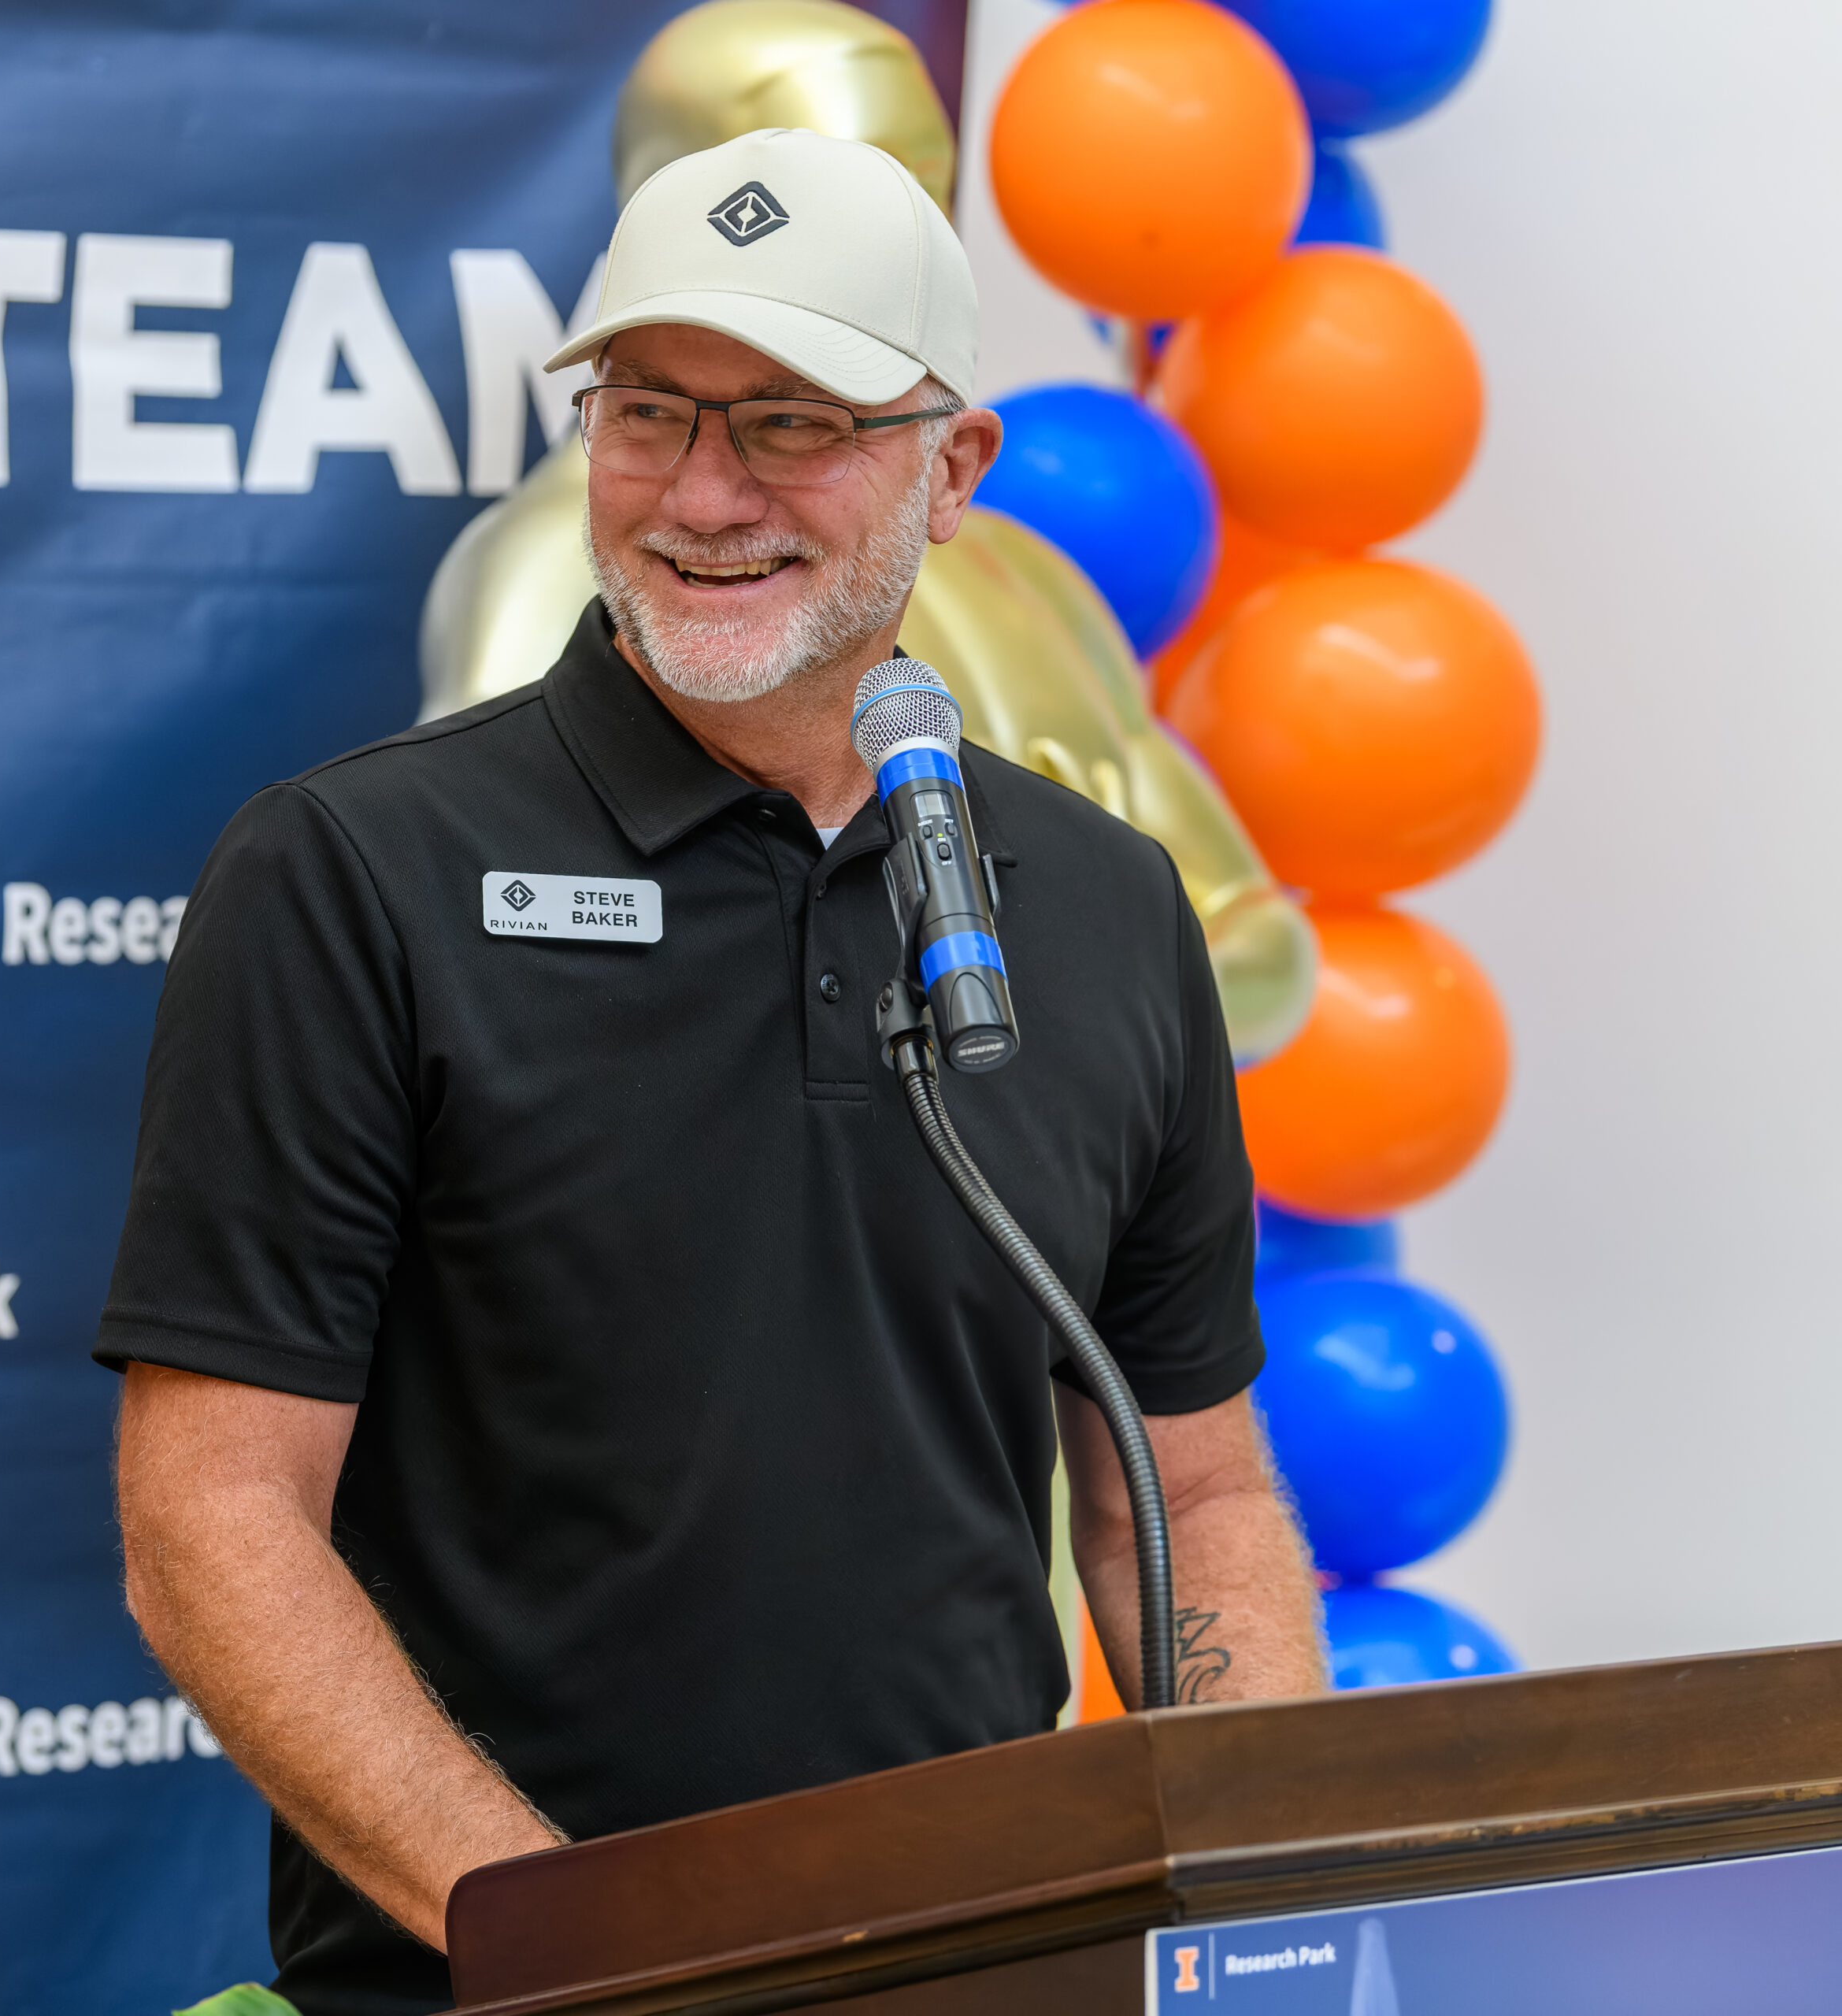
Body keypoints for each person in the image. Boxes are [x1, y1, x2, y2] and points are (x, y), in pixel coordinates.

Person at [99, 128, 1325, 2016]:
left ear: (954, 466)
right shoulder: (352, 873)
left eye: (788, 423)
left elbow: (1194, 1497)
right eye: (647, 411)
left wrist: (1265, 1900)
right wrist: (586, 1951)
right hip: (506, 1985)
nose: (697, 492)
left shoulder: (1102, 905)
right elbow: (211, 1525)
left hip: (979, 1974)